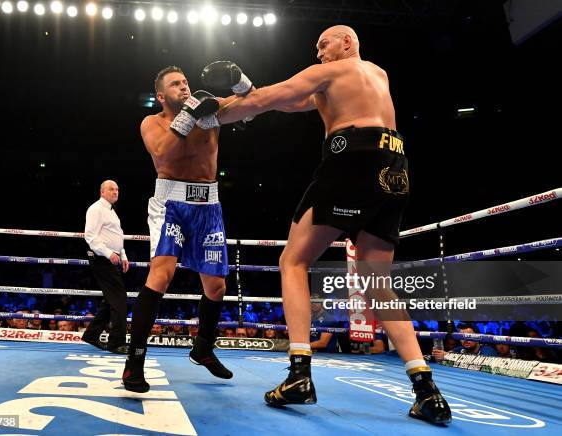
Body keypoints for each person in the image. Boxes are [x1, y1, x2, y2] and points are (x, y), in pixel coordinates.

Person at [204, 25, 451, 423]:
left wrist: (213, 113)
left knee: (293, 261)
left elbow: (271, 98)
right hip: (396, 166)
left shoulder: (333, 72)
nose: (319, 53)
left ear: (347, 43)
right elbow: (287, 102)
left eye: (324, 45)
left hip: (351, 160)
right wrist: (242, 92)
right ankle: (427, 390)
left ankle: (299, 373)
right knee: (376, 282)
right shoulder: (377, 75)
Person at [122, 66, 241, 393]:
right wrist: (189, 113)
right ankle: (134, 363)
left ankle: (202, 348)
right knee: (161, 276)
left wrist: (239, 80)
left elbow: (253, 105)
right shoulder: (152, 123)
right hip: (170, 204)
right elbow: (162, 151)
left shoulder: (211, 113)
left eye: (186, 82)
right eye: (176, 84)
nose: (184, 87)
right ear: (161, 95)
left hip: (208, 206)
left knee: (216, 287)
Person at [83, 180, 130, 354]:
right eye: (111, 189)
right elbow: (90, 236)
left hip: (112, 258)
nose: (115, 192)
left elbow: (117, 236)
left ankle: (91, 334)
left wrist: (122, 255)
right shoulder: (96, 209)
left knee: (111, 300)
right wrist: (108, 253)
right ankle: (116, 343)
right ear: (102, 192)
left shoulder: (111, 211)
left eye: (117, 189)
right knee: (119, 299)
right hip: (102, 258)